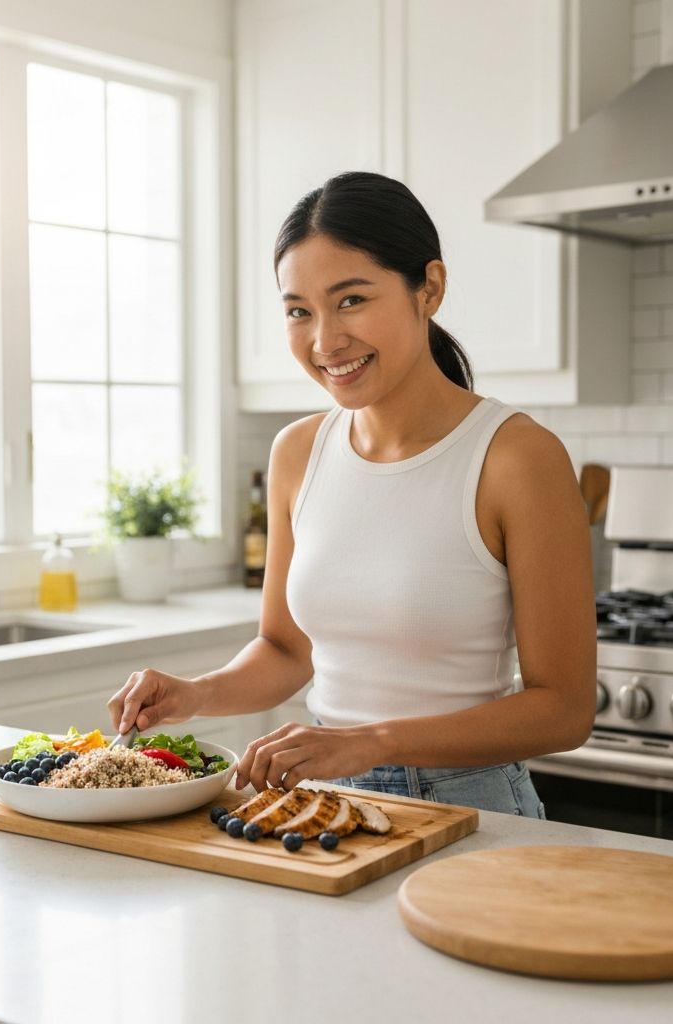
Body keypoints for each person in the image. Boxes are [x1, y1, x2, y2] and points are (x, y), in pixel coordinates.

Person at [107, 171, 597, 816]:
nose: (324, 341)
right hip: (320, 802)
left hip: (469, 807)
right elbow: (286, 651)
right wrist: (195, 694)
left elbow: (564, 711)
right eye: (298, 311)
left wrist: (369, 743)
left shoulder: (516, 457)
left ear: (431, 288)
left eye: (351, 300)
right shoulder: (297, 453)